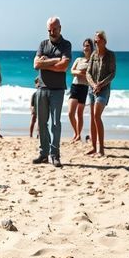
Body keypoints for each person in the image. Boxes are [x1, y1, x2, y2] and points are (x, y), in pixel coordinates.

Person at [33, 17, 71, 167]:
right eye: (49, 30)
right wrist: (55, 60)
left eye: (54, 29)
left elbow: (63, 66)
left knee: (56, 124)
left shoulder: (66, 44)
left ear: (60, 28)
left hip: (57, 90)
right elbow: (36, 64)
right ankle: (44, 154)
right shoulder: (43, 44)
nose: (51, 32)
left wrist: (45, 62)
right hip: (42, 88)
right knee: (42, 123)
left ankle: (55, 155)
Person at [86, 30, 116, 157]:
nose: (96, 43)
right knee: (92, 118)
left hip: (103, 90)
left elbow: (112, 73)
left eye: (97, 41)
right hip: (92, 89)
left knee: (97, 116)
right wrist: (93, 85)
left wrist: (100, 84)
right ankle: (94, 147)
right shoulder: (93, 55)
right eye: (95, 41)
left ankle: (101, 149)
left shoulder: (110, 55)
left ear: (104, 41)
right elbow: (88, 72)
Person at [68, 38, 93, 143]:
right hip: (75, 86)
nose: (85, 47)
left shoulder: (93, 61)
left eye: (88, 45)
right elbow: (72, 71)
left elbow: (91, 74)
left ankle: (78, 135)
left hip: (84, 87)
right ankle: (76, 133)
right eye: (84, 46)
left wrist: (83, 73)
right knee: (70, 113)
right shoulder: (79, 59)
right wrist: (80, 72)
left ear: (91, 47)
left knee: (79, 114)